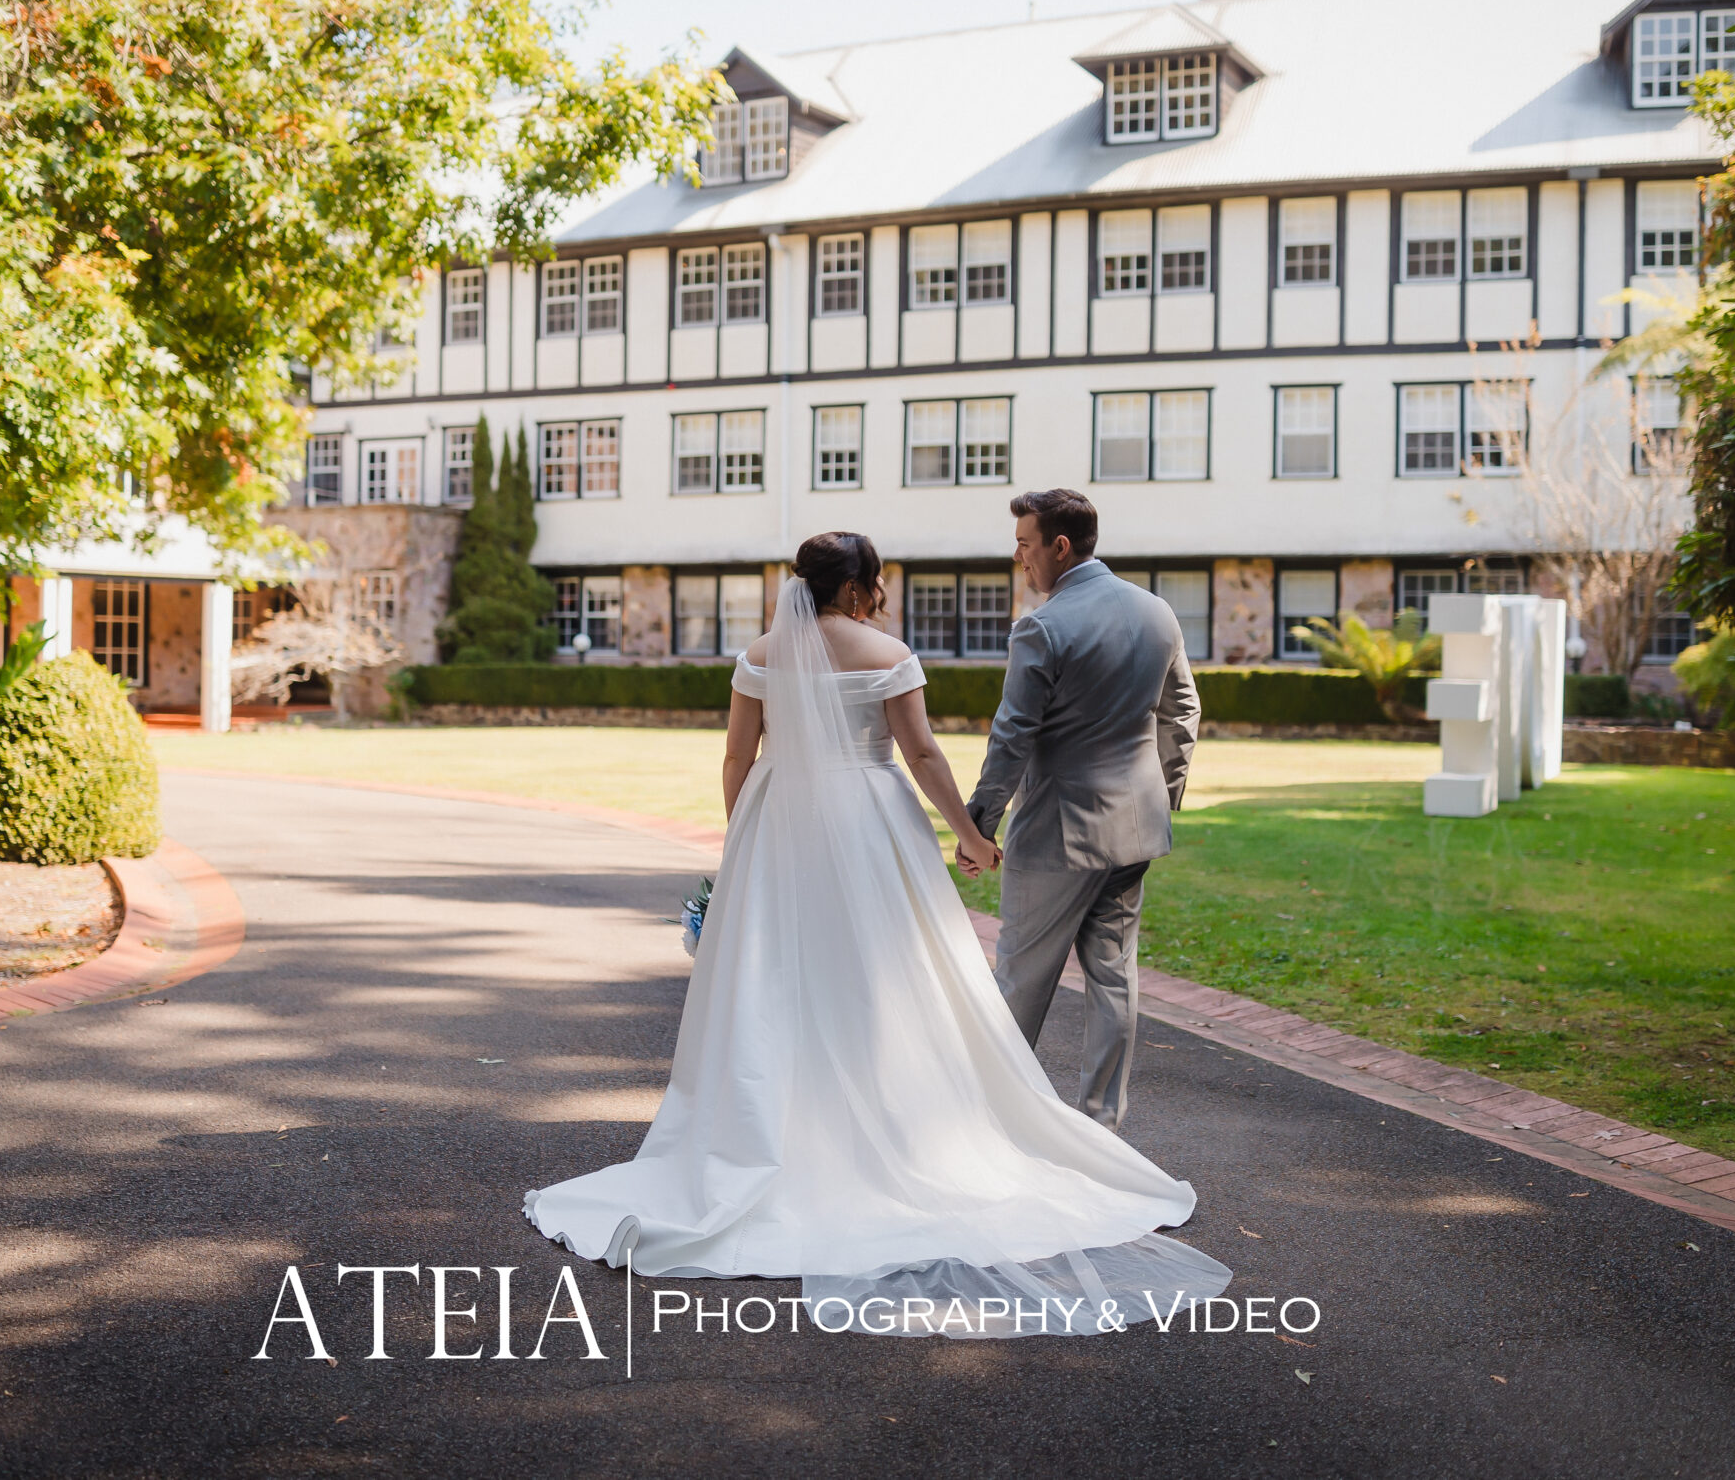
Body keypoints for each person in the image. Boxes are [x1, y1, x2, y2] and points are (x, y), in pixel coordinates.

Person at [524, 530, 1227, 1337]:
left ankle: (769, 1131)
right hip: (871, 822)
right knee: (887, 974)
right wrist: (968, 832)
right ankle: (898, 1120)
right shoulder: (887, 650)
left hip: (776, 819)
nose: (882, 594)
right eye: (878, 583)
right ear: (859, 588)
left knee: (774, 981)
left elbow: (736, 756)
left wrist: (745, 835)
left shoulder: (761, 651)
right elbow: (922, 752)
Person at [967, 488, 1200, 1131]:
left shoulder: (1042, 627)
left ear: (1059, 547)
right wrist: (1163, 795)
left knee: (1020, 980)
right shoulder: (1158, 613)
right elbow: (1182, 712)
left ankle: (993, 1123)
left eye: (1024, 544)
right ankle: (1102, 1124)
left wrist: (978, 824)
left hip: (1058, 837)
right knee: (1114, 977)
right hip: (1136, 829)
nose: (1019, 559)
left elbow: (1012, 736)